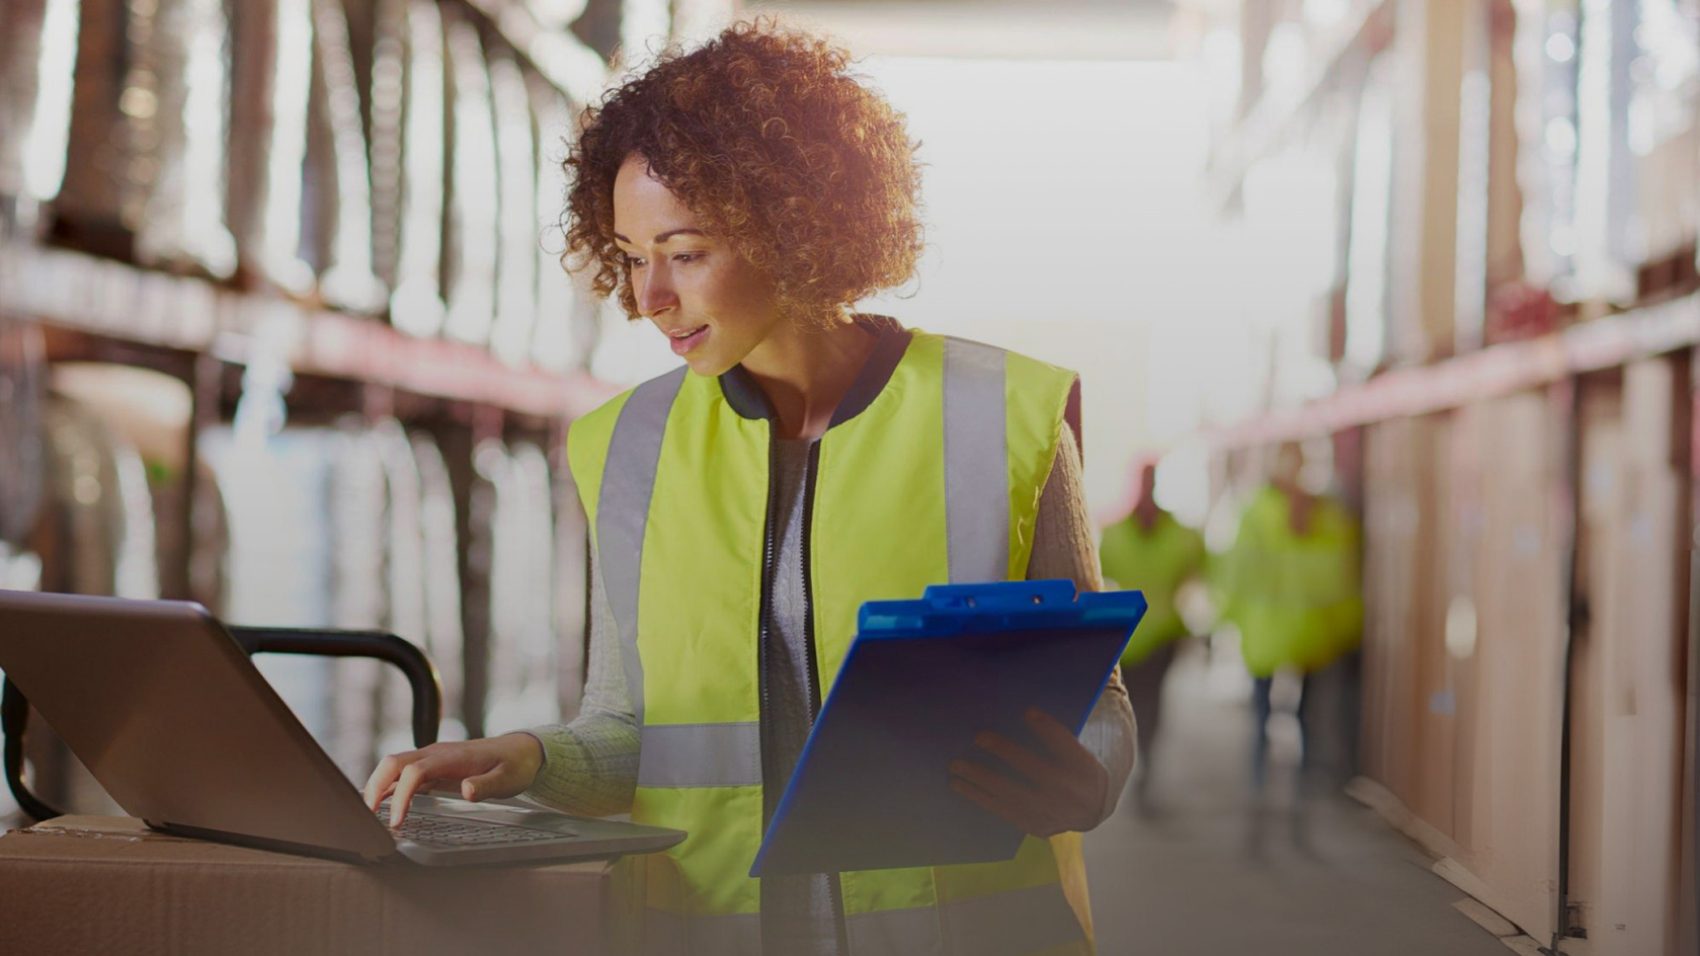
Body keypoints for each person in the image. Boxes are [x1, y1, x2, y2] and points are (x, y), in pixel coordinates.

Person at [363, 21, 1134, 956]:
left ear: (795, 224)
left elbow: (1100, 709)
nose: (648, 296)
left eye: (683, 252)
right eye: (631, 253)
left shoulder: (1006, 414)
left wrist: (1086, 782)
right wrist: (524, 757)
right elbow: (627, 736)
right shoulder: (625, 447)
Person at [1214, 441, 1362, 798]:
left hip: (1270, 633)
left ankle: (1263, 783)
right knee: (1300, 715)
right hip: (1307, 633)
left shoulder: (1258, 513)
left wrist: (1228, 619)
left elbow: (1237, 574)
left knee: (1268, 714)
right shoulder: (1325, 515)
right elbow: (1341, 576)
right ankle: (1295, 786)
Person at [1097, 460, 1205, 815]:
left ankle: (1145, 767)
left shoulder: (1180, 534)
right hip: (1126, 639)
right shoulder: (1113, 533)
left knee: (1152, 706)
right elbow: (1094, 579)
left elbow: (1197, 574)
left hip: (1161, 637)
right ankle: (1133, 768)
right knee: (1130, 706)